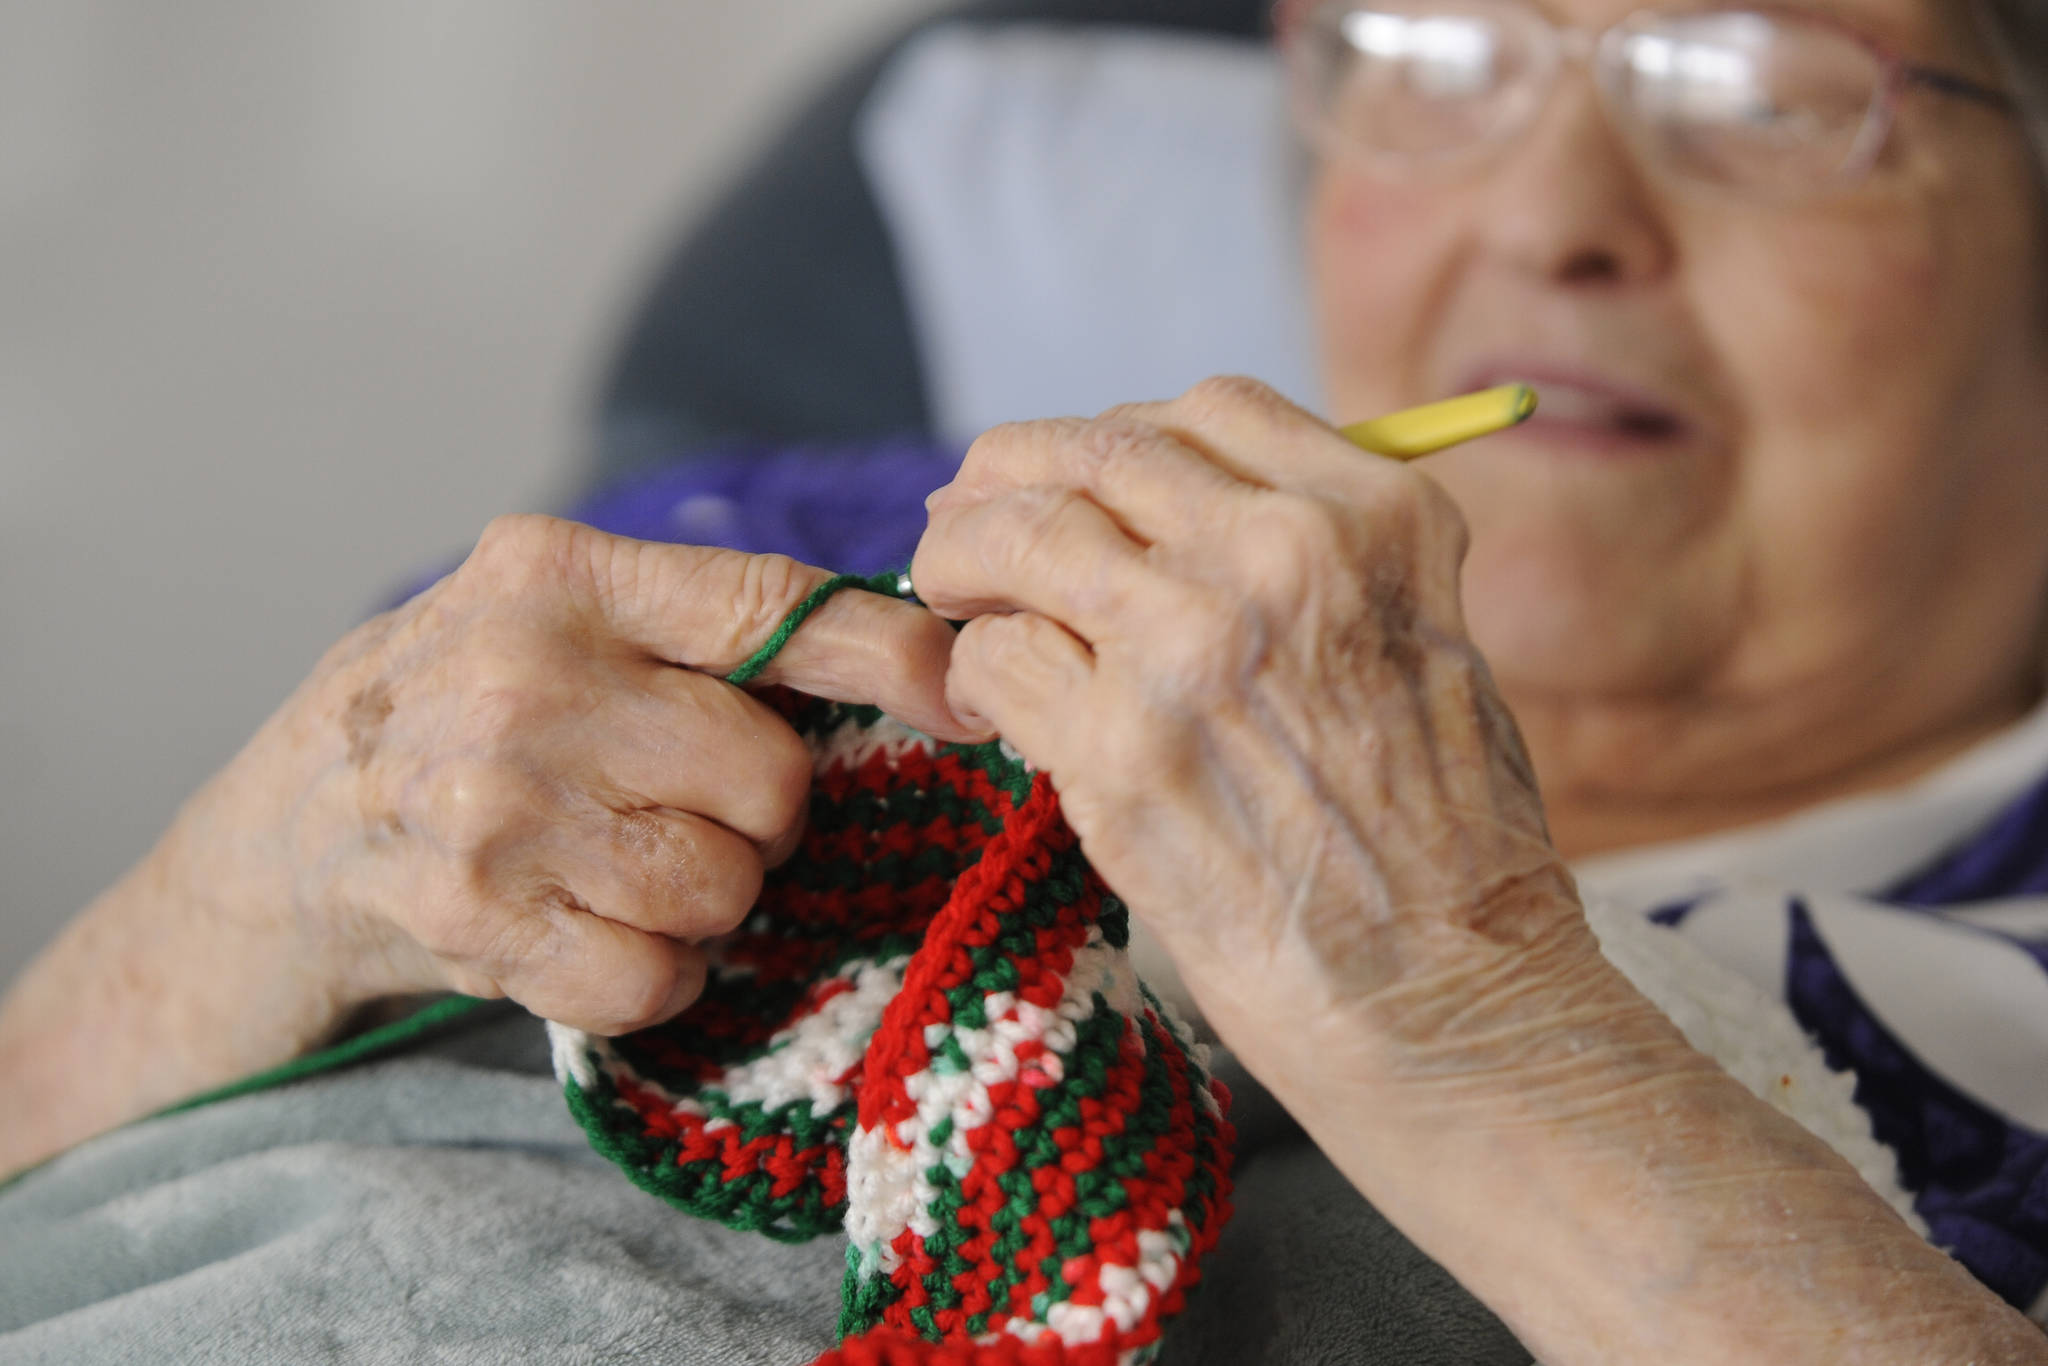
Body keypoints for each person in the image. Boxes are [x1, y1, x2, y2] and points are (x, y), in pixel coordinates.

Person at [4, 0, 2047, 1361]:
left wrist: (1456, 998)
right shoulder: (811, 543)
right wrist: (256, 880)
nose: (1547, 212)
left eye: (1759, 84)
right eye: (1432, 45)